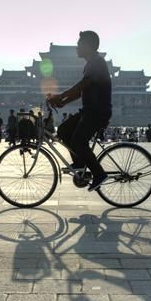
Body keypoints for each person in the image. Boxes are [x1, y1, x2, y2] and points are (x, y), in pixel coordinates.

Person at [47, 30, 112, 192]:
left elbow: (83, 84)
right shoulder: (91, 63)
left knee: (79, 140)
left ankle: (99, 174)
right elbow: (81, 91)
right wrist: (63, 102)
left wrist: (61, 96)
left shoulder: (97, 62)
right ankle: (80, 163)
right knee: (63, 130)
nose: (76, 47)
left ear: (88, 46)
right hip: (89, 111)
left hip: (97, 113)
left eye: (79, 44)